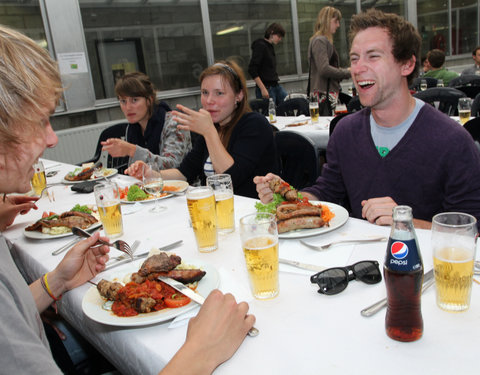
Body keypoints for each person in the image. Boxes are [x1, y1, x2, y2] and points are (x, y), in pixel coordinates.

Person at [0, 25, 254, 374]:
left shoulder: (244, 126)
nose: (52, 138)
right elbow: (183, 170)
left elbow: (11, 309)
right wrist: (201, 352)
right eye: (40, 121)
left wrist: (55, 282)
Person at [255, 9, 480, 230]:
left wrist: (406, 223)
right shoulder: (345, 131)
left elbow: (470, 230)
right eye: (354, 58)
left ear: (407, 65)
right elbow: (328, 192)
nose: (358, 68)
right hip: (357, 261)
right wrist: (287, 196)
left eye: (373, 56)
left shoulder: (453, 141)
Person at [127, 60, 279, 199]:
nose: (209, 101)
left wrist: (208, 132)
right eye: (205, 92)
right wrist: (152, 174)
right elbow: (184, 173)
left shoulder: (254, 124)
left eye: (219, 93)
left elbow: (230, 179)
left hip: (253, 214)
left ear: (238, 96)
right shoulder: (213, 127)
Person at [101, 72, 191, 170]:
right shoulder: (132, 129)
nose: (128, 107)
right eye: (123, 101)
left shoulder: (174, 122)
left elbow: (173, 166)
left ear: (149, 100)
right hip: (148, 184)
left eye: (134, 100)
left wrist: (132, 150)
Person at [307, 7, 351, 104]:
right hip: (324, 95)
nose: (338, 25)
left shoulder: (322, 41)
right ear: (327, 21)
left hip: (326, 93)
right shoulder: (320, 41)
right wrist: (347, 72)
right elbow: (324, 69)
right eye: (336, 21)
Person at [248, 23, 287, 105]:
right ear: (272, 33)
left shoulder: (270, 46)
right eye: (279, 36)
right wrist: (262, 88)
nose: (280, 39)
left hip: (275, 85)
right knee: (271, 113)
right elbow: (252, 69)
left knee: (287, 105)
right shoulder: (260, 46)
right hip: (266, 87)